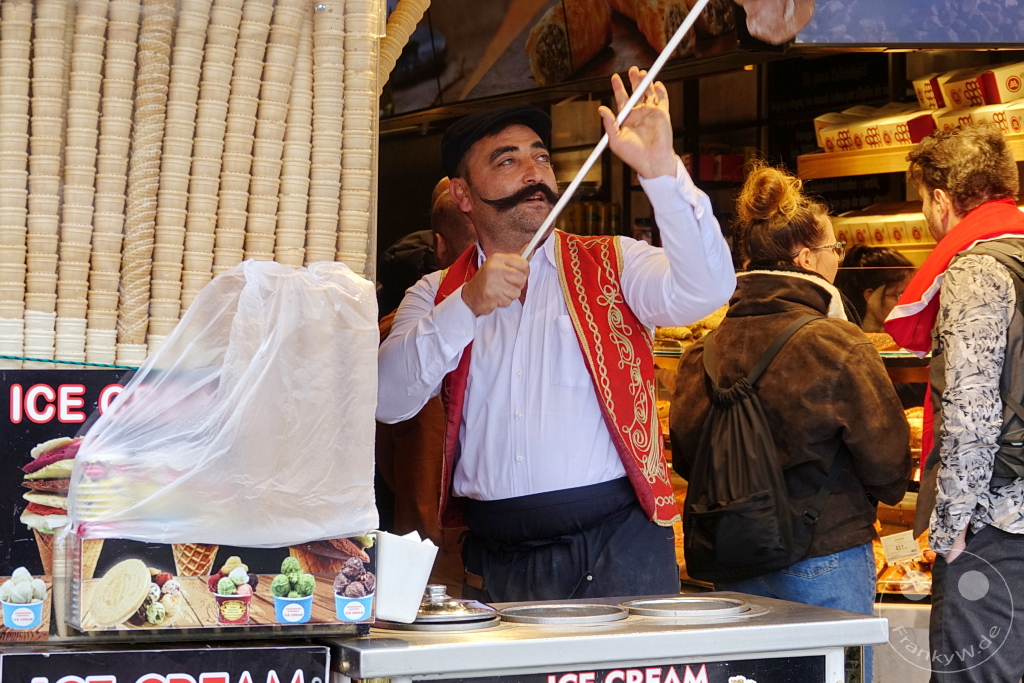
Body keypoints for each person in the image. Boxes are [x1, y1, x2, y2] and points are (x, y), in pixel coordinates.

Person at [376, 66, 736, 602]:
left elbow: (707, 288)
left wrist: (663, 172)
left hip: (618, 547)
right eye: (508, 160)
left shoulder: (614, 261)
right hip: (498, 558)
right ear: (463, 194)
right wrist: (467, 305)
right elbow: (388, 400)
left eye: (540, 156)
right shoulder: (434, 293)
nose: (533, 171)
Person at [670, 163, 911, 682]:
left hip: (733, 555)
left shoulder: (703, 351)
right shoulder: (836, 343)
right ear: (805, 258)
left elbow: (687, 457)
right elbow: (891, 472)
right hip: (825, 555)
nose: (838, 261)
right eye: (834, 250)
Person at [885, 124, 1024, 683]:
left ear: (942, 199)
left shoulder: (977, 270)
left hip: (997, 523)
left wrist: (952, 526)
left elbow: (970, 408)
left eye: (923, 201)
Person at [375, 183, 478, 595]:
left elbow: (381, 458)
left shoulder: (396, 334)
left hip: (421, 554)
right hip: (507, 546)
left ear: (439, 245)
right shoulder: (529, 316)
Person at [834, 245, 914, 332]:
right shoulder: (854, 338)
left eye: (910, 293)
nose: (909, 302)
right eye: (900, 295)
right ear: (870, 296)